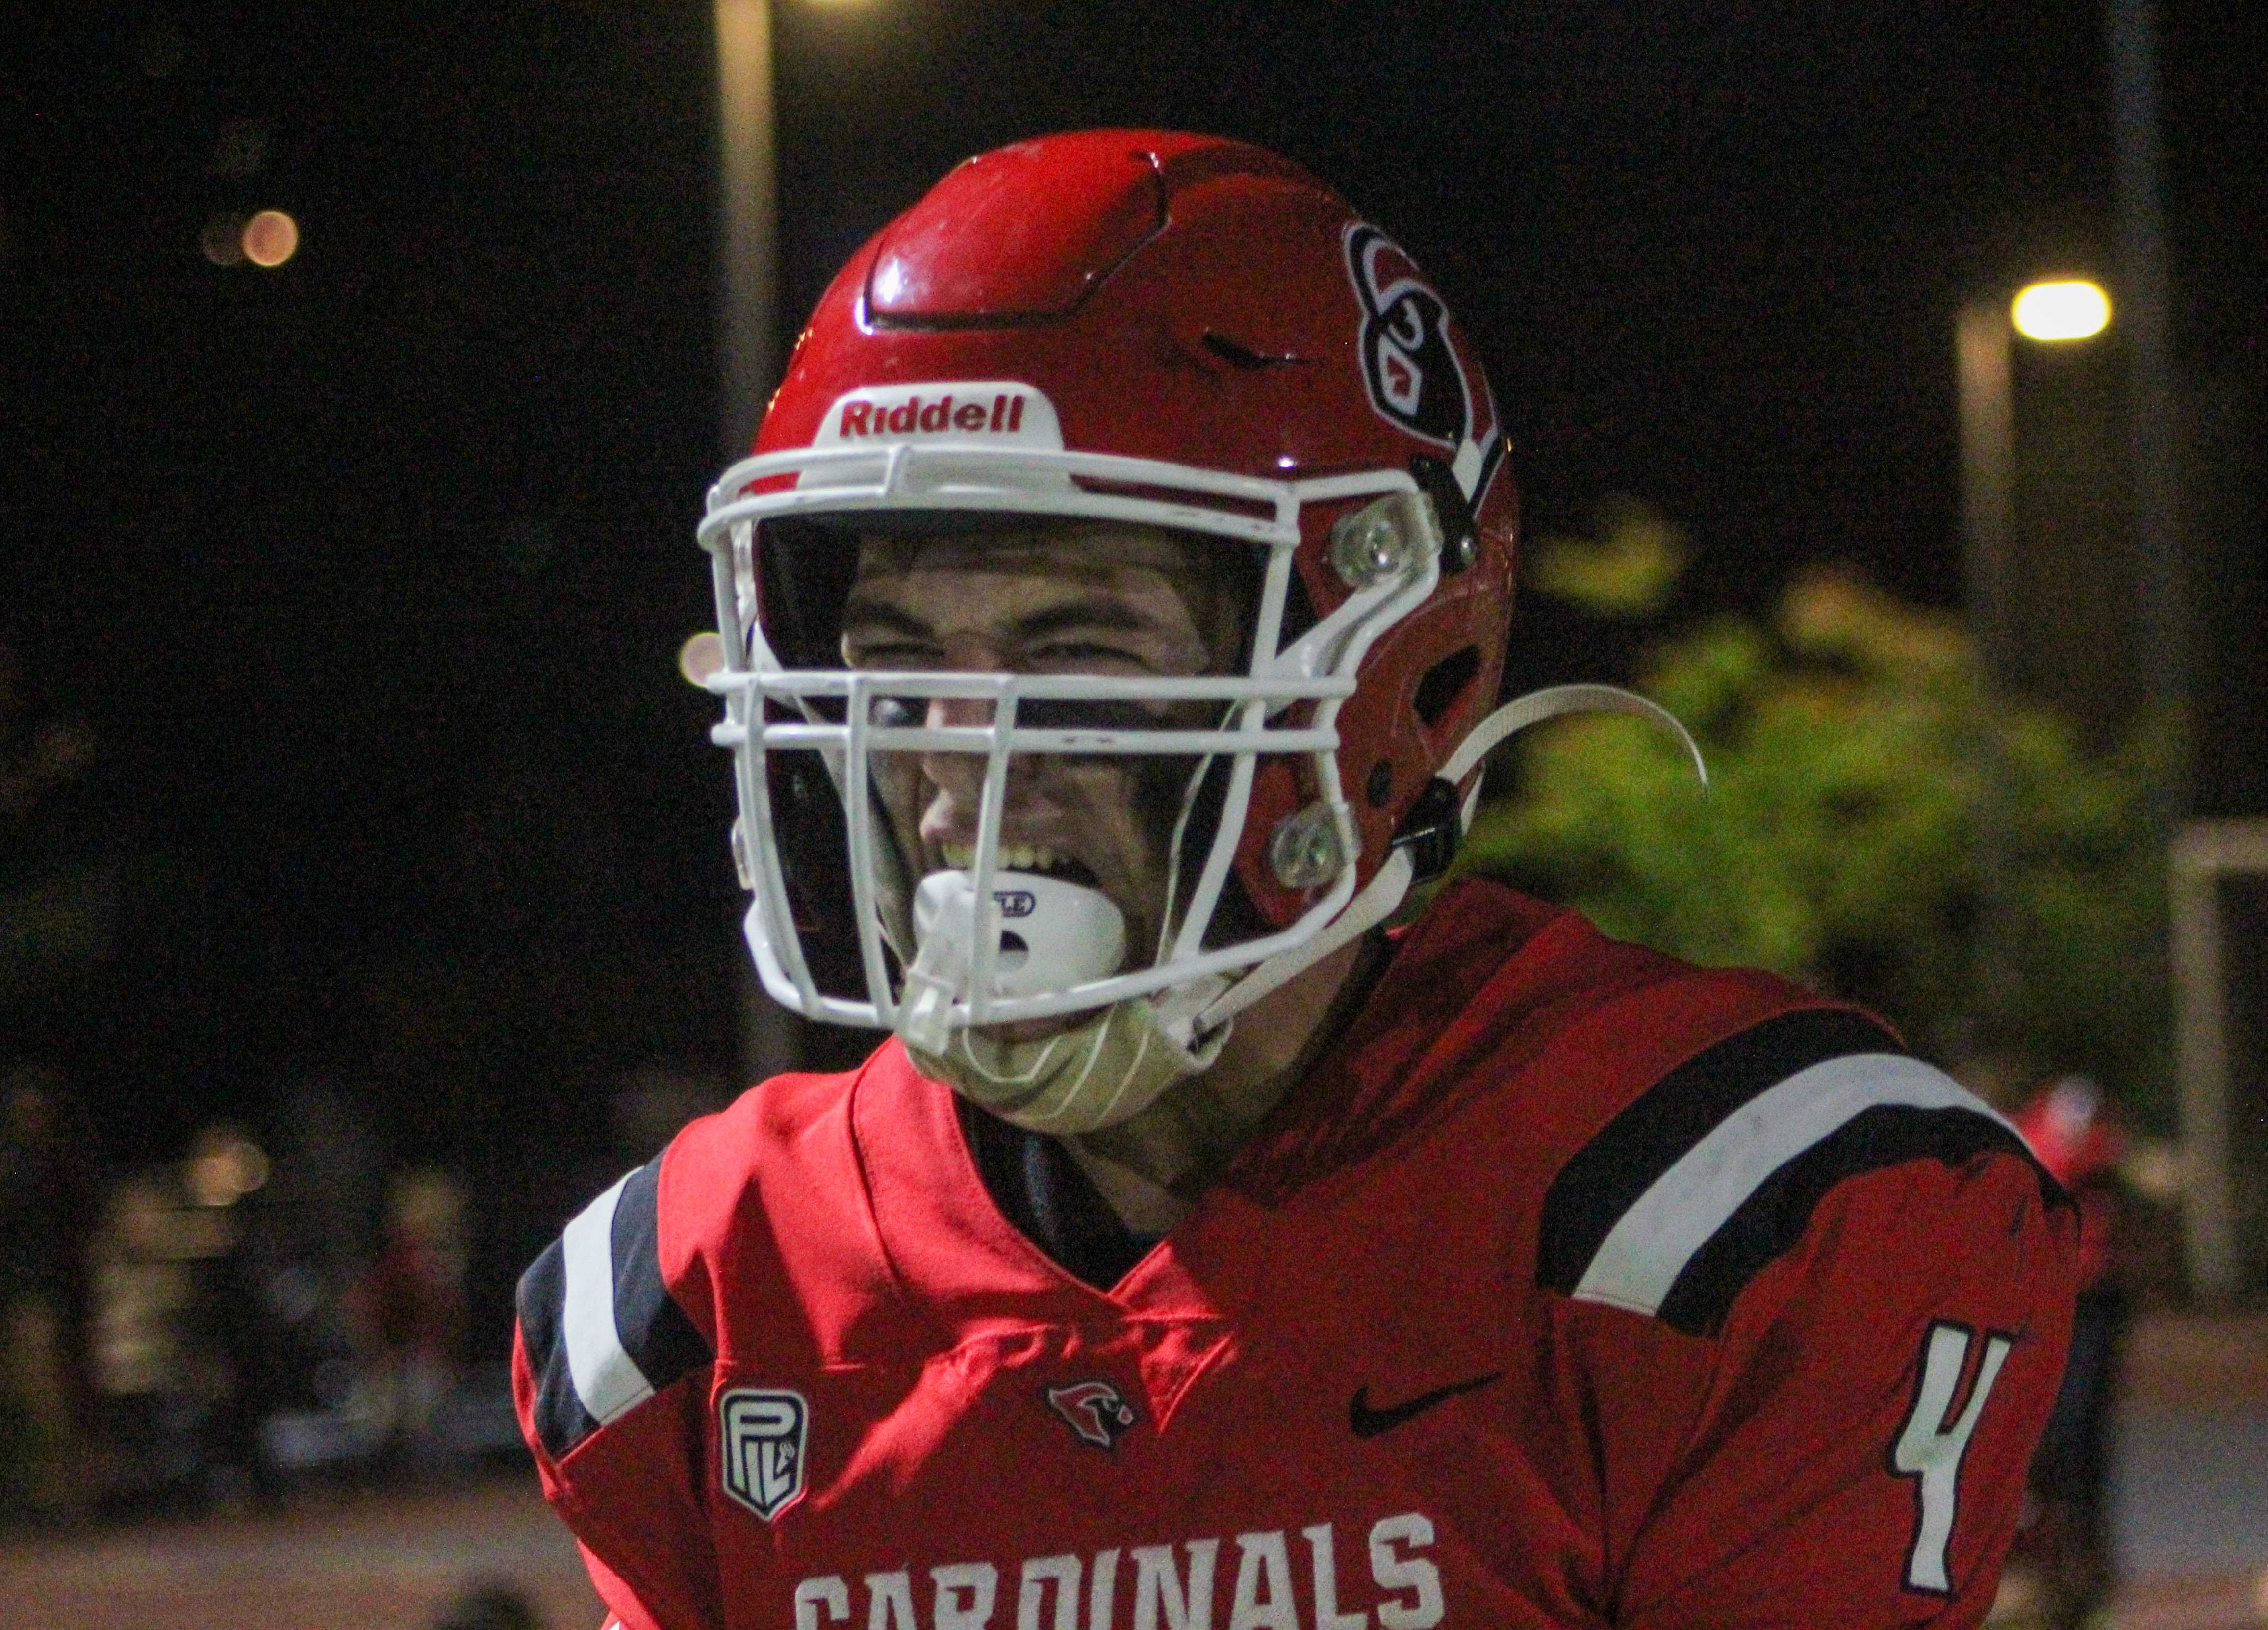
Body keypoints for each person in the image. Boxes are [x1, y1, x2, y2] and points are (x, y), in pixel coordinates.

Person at [514, 129, 2079, 1629]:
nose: (958, 761)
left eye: (1079, 653)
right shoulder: (698, 1295)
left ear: (1400, 674)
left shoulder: (1730, 1216)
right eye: (897, 662)